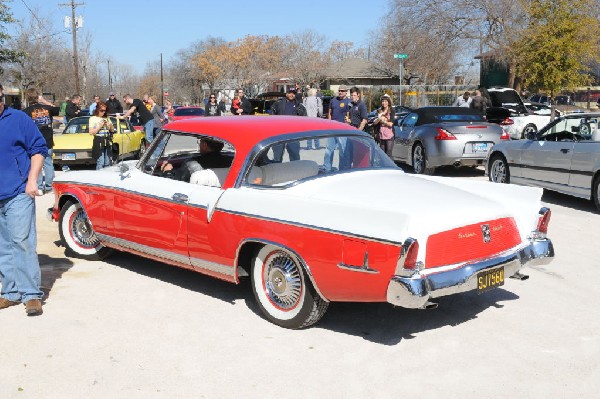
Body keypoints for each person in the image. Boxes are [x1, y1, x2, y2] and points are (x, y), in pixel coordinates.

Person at [0, 83, 47, 316]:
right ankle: (10, 293)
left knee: (22, 241)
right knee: (3, 245)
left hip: (18, 191)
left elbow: (38, 149)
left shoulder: (18, 119)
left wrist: (32, 180)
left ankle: (31, 295)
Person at [22, 88, 60, 194]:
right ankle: (49, 186)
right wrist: (44, 101)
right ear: (38, 97)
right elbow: (57, 109)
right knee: (48, 164)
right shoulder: (47, 108)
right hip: (48, 141)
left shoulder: (26, 112)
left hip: (33, 142)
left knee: (35, 164)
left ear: (27, 98)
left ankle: (38, 186)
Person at [160, 138, 232, 182]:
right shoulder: (231, 161)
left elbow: (173, 183)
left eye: (200, 142)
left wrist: (167, 171)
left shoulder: (191, 164)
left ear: (204, 145)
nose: (199, 144)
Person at [270, 86, 307, 161]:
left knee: (295, 156)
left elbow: (305, 119)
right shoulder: (278, 103)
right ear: (286, 94)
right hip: (279, 133)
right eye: (290, 93)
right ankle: (277, 171)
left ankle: (295, 171)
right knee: (277, 157)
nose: (292, 95)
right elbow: (271, 116)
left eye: (293, 93)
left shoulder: (299, 106)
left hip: (293, 134)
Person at [324, 85, 352, 172]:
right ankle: (327, 168)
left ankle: (342, 170)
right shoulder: (333, 100)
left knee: (342, 151)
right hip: (332, 128)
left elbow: (349, 115)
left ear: (346, 92)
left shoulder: (349, 102)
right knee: (329, 149)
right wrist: (328, 124)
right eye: (339, 90)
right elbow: (330, 113)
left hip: (343, 129)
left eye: (342, 91)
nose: (340, 92)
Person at [89, 101, 115, 170]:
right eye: (102, 110)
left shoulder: (107, 118)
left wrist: (109, 125)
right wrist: (99, 126)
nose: (103, 112)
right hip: (99, 141)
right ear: (97, 109)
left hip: (107, 141)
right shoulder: (93, 118)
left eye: (105, 111)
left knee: (107, 162)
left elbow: (112, 130)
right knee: (101, 162)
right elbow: (91, 132)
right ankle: (99, 177)